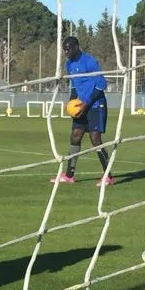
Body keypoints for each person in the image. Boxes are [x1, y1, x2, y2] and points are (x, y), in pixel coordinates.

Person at [53, 36, 115, 186]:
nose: (66, 52)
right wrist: (71, 104)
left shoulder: (89, 61)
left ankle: (108, 177)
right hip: (80, 106)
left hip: (95, 105)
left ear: (76, 47)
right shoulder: (69, 64)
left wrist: (86, 104)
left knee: (95, 139)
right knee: (75, 136)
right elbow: (74, 87)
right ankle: (69, 176)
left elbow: (101, 84)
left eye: (68, 49)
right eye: (64, 49)